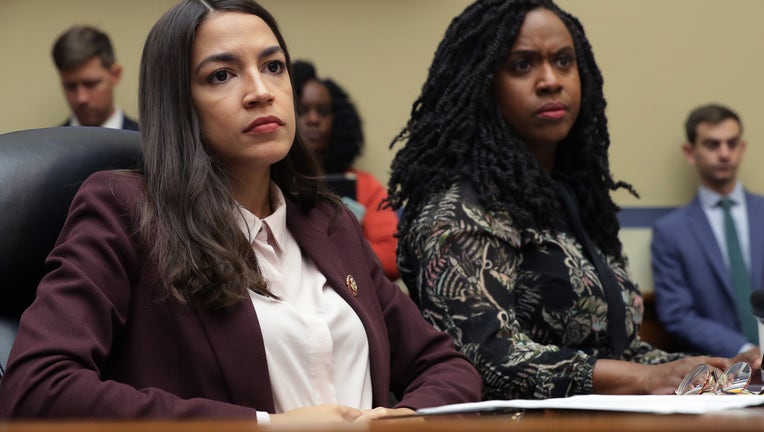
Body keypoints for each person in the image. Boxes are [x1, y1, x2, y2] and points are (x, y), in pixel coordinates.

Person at [0, 0, 481, 422]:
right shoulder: (125, 210)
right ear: (178, 104)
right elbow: (37, 387)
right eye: (222, 75)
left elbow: (444, 365)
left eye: (273, 66)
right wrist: (264, 425)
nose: (260, 91)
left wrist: (408, 417)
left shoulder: (327, 222)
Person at [386, 0, 759, 401]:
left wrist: (719, 371)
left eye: (564, 61)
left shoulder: (574, 202)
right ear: (483, 82)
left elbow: (618, 354)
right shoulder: (457, 209)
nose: (550, 80)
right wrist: (643, 379)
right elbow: (484, 357)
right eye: (522, 65)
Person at [651, 104, 764, 359]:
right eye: (713, 145)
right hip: (719, 369)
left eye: (732, 143)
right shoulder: (670, 232)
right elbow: (678, 314)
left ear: (742, 148)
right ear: (690, 152)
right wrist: (745, 351)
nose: (724, 154)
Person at [292, 60, 400, 280]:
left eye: (323, 112)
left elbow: (392, 257)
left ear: (338, 120)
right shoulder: (264, 183)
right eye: (302, 110)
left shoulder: (364, 185)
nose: (313, 119)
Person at [52, 25, 139, 130]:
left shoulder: (147, 142)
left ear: (115, 74)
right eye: (71, 87)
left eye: (91, 84)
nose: (81, 98)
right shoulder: (45, 145)